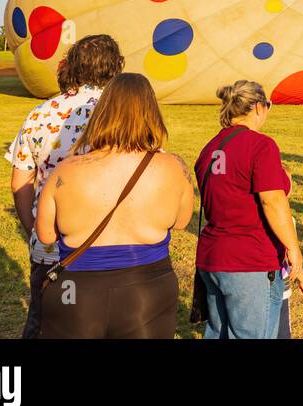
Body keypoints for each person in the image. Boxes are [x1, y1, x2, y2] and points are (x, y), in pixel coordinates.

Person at [36, 73, 194, 339]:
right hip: (147, 288)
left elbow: (46, 236)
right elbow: (181, 222)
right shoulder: (173, 168)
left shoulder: (66, 170)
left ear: (102, 113)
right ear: (151, 113)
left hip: (76, 291)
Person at [5, 34, 122, 338]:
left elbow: (21, 182)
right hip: (109, 248)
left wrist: (36, 230)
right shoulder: (121, 114)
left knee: (43, 323)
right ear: (116, 66)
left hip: (50, 247)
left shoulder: (39, 114)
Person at [196, 80, 303, 339]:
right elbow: (273, 201)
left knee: (218, 332)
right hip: (249, 262)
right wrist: (294, 251)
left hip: (212, 259)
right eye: (268, 106)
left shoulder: (209, 149)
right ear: (258, 107)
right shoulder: (261, 145)